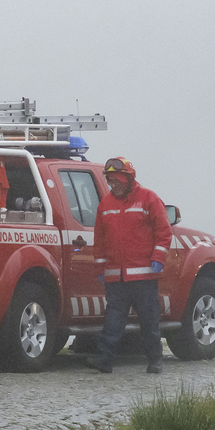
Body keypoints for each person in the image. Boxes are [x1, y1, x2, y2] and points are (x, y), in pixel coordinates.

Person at [86, 157, 172, 374]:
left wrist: (158, 258)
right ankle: (104, 361)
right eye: (109, 181)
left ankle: (155, 361)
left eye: (115, 180)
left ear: (127, 179)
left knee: (149, 321)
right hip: (117, 277)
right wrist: (100, 268)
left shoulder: (149, 199)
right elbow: (100, 239)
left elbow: (164, 232)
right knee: (112, 322)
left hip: (144, 276)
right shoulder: (105, 205)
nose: (112, 185)